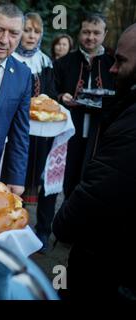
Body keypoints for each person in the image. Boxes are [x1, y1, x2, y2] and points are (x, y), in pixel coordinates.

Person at [53, 23, 136, 300]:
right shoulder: (66, 63)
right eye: (85, 32)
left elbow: (99, 190)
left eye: (121, 61)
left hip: (108, 266)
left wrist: (63, 224)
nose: (113, 69)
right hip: (75, 137)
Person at [54, 13, 115, 199]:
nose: (91, 37)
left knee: (95, 181)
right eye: (86, 32)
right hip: (69, 131)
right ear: (79, 33)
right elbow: (51, 92)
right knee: (68, 180)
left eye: (96, 33)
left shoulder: (113, 64)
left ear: (105, 34)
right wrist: (59, 96)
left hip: (102, 134)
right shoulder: (64, 63)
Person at [11, 12, 58, 251]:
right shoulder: (10, 61)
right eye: (27, 30)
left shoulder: (46, 63)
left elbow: (51, 95)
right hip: (13, 133)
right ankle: (12, 228)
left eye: (36, 31)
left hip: (40, 134)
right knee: (12, 179)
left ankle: (40, 231)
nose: (31, 35)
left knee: (39, 179)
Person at [0, 4, 32, 196]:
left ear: (20, 36)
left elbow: (20, 133)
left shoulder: (23, 75)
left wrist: (16, 177)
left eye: (13, 34)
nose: (4, 40)